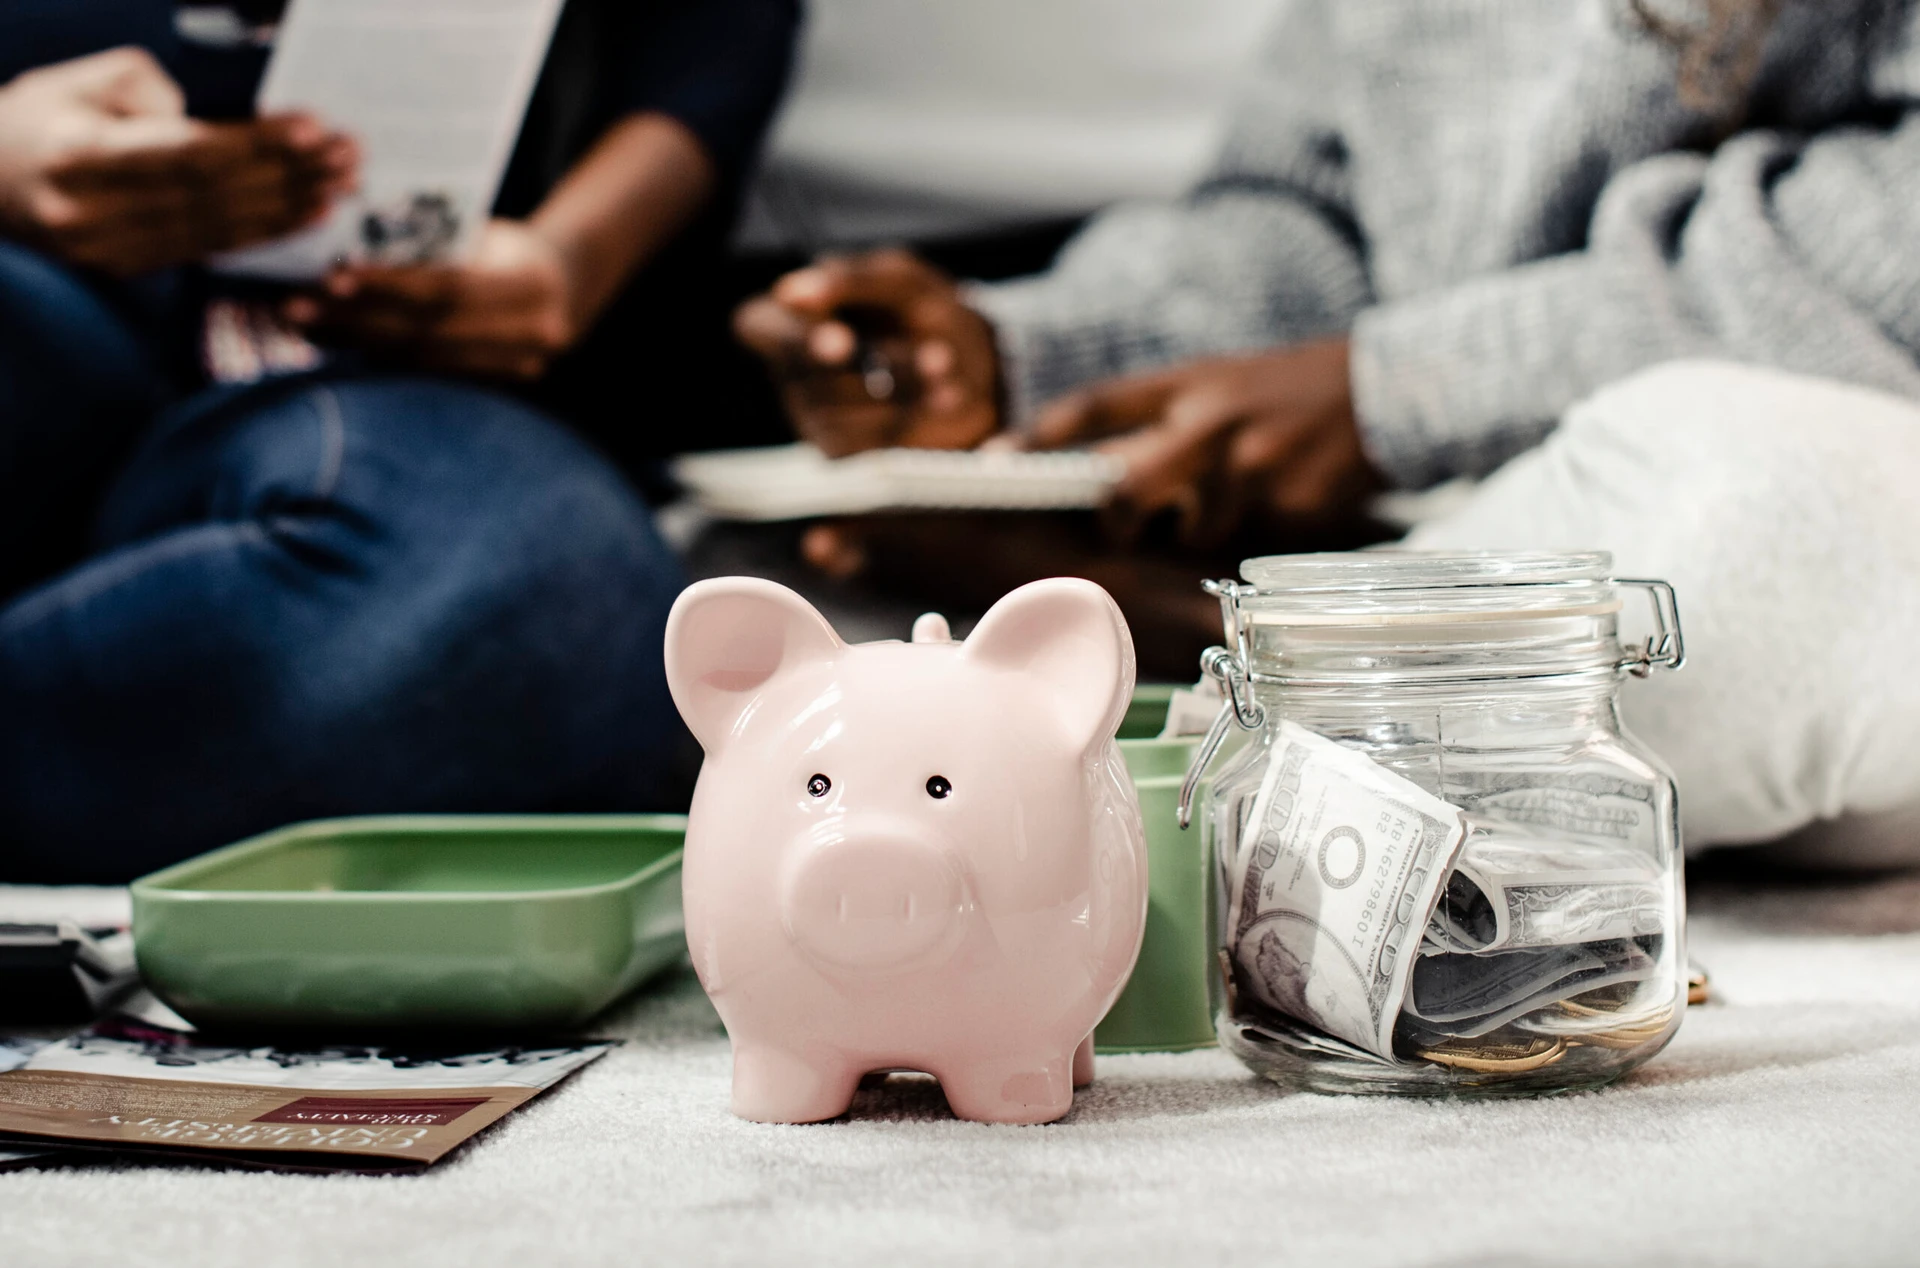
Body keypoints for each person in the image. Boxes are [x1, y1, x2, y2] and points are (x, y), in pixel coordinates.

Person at [737, 0, 1920, 854]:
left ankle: (1222, 647)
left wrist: (1387, 394)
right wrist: (1022, 357)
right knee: (751, 592)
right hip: (1461, 521)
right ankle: (1309, 681)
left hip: (1758, 455)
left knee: (1776, 514)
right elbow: (1296, 211)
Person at [0, 0, 798, 883]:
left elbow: (707, 59)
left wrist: (569, 258)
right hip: (41, 322)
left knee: (521, 585)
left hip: (400, 393)